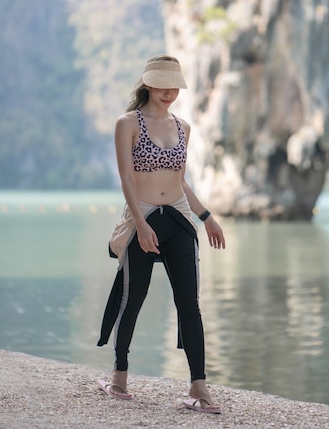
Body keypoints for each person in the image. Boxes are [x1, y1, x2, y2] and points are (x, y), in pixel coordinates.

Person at [97, 55, 225, 414]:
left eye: (175, 86)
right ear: (148, 84)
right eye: (163, 85)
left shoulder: (183, 127)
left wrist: (207, 217)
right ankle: (119, 375)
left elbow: (180, 181)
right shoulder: (128, 123)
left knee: (189, 302)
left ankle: (199, 387)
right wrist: (140, 223)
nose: (169, 92)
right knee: (132, 297)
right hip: (144, 216)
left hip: (180, 220)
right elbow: (127, 178)